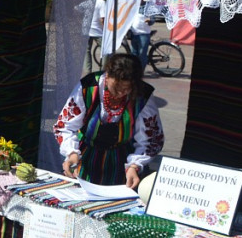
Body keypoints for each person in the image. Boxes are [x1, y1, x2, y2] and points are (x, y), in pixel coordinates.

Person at [54, 52, 164, 188]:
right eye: (116, 87)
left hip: (122, 164)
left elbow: (152, 140)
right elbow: (64, 126)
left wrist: (134, 165)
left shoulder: (143, 96)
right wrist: (71, 153)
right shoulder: (88, 87)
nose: (120, 93)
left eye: (127, 88)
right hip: (85, 160)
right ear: (107, 76)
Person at [83, 0, 106, 75]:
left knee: (87, 50)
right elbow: (102, 19)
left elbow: (77, 9)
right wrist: (106, 30)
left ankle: (88, 71)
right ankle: (102, 70)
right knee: (104, 50)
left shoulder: (89, 1)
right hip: (97, 30)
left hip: (86, 30)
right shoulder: (102, 2)